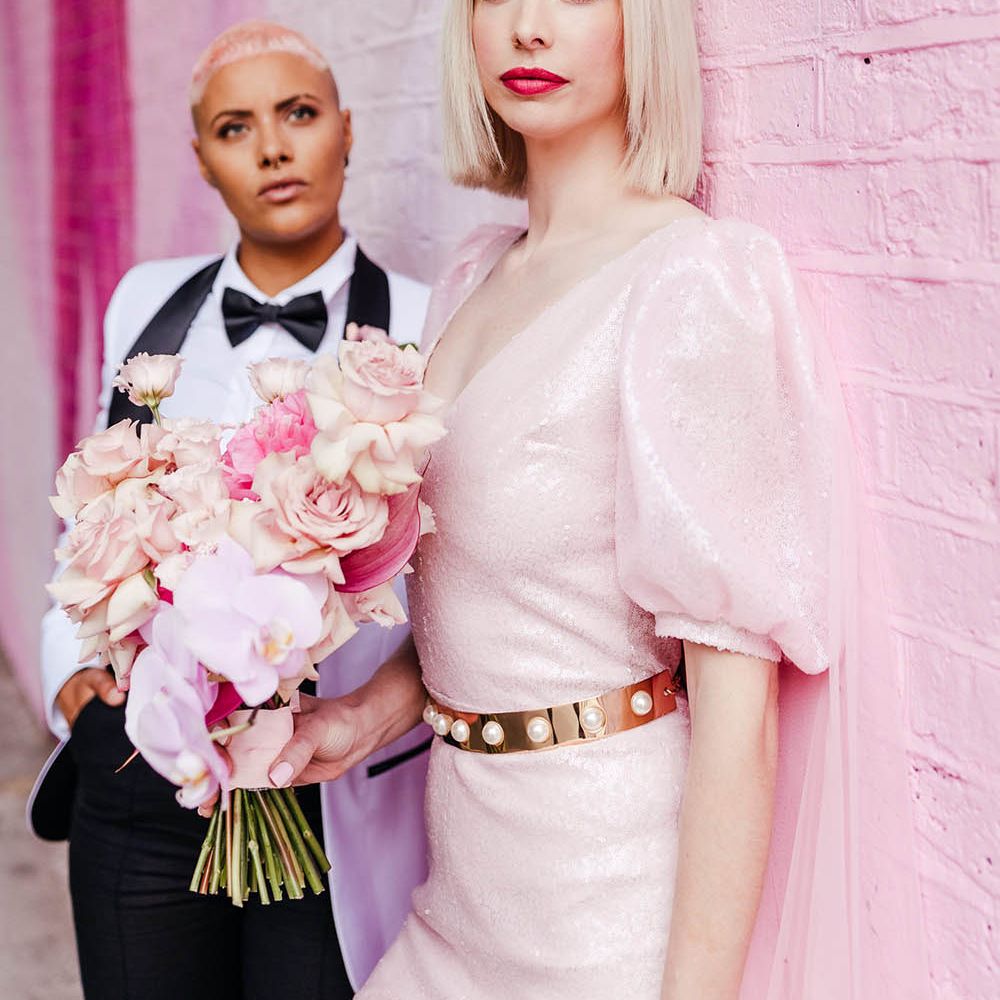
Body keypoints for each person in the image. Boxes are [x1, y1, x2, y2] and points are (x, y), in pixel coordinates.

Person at [271, 1, 932, 998]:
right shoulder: (472, 275)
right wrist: (359, 718)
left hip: (605, 923)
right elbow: (497, 608)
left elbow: (738, 719)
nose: (527, 27)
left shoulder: (691, 280)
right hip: (456, 903)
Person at [32, 21, 431, 1000]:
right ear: (204, 158)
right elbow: (96, 505)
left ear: (345, 129)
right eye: (235, 127)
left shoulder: (427, 321)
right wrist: (73, 676)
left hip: (325, 782)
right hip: (141, 770)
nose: (273, 148)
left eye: (298, 114)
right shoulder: (145, 302)